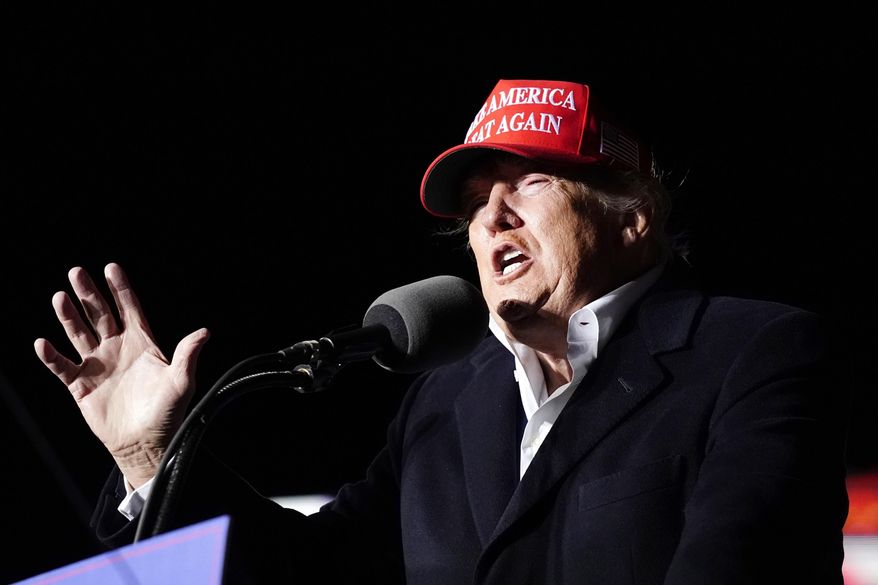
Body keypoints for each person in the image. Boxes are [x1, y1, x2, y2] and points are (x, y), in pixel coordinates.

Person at [35, 79, 851, 584]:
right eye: (472, 204)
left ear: (634, 218)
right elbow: (311, 576)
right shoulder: (446, 401)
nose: (492, 214)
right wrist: (153, 452)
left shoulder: (755, 353)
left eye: (532, 179)